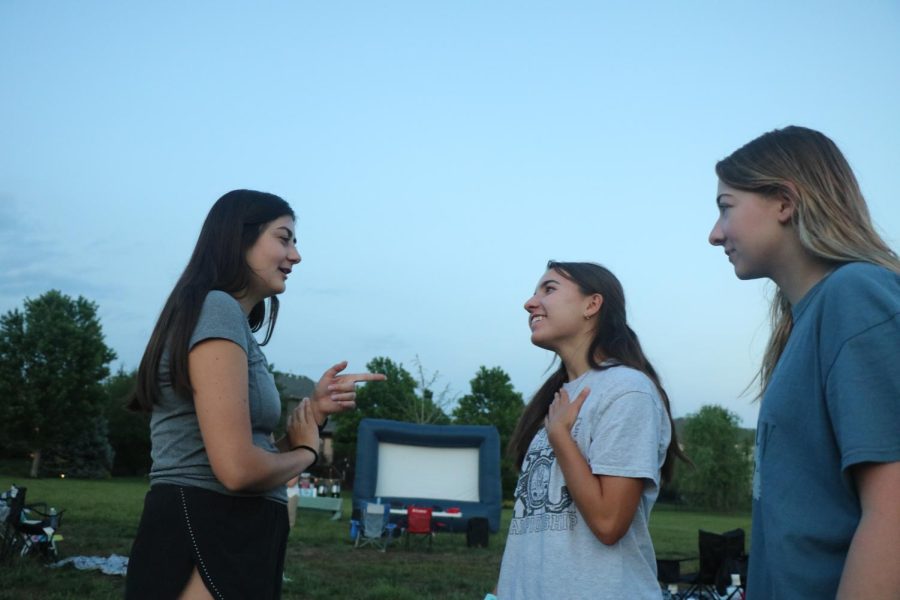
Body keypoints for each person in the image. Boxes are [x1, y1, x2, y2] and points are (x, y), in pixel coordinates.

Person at [124, 190, 385, 599]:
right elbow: (237, 470)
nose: (295, 255)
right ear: (237, 239)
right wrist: (307, 454)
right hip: (207, 528)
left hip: (228, 528)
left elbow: (248, 453)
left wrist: (312, 417)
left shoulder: (226, 321)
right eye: (284, 238)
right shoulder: (217, 310)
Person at [709, 126, 900, 599]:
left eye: (726, 207)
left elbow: (894, 512)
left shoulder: (856, 297)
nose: (715, 235)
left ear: (784, 202)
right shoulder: (806, 325)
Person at [495, 261, 684, 600]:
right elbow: (532, 529)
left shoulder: (627, 390)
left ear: (592, 305)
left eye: (548, 289)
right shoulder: (557, 399)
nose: (530, 303)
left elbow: (609, 523)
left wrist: (562, 440)